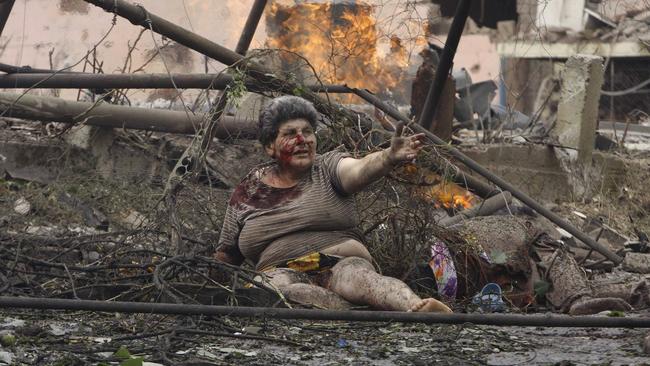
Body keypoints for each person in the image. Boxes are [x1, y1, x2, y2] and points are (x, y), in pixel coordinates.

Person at [213, 95, 452, 313]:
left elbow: (358, 169)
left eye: (308, 132)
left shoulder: (328, 167)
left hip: (342, 261)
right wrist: (210, 292)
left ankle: (417, 308)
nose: (302, 140)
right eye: (290, 134)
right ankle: (354, 313)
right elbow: (226, 255)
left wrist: (386, 158)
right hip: (278, 272)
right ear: (269, 146)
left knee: (363, 281)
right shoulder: (248, 191)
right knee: (287, 291)